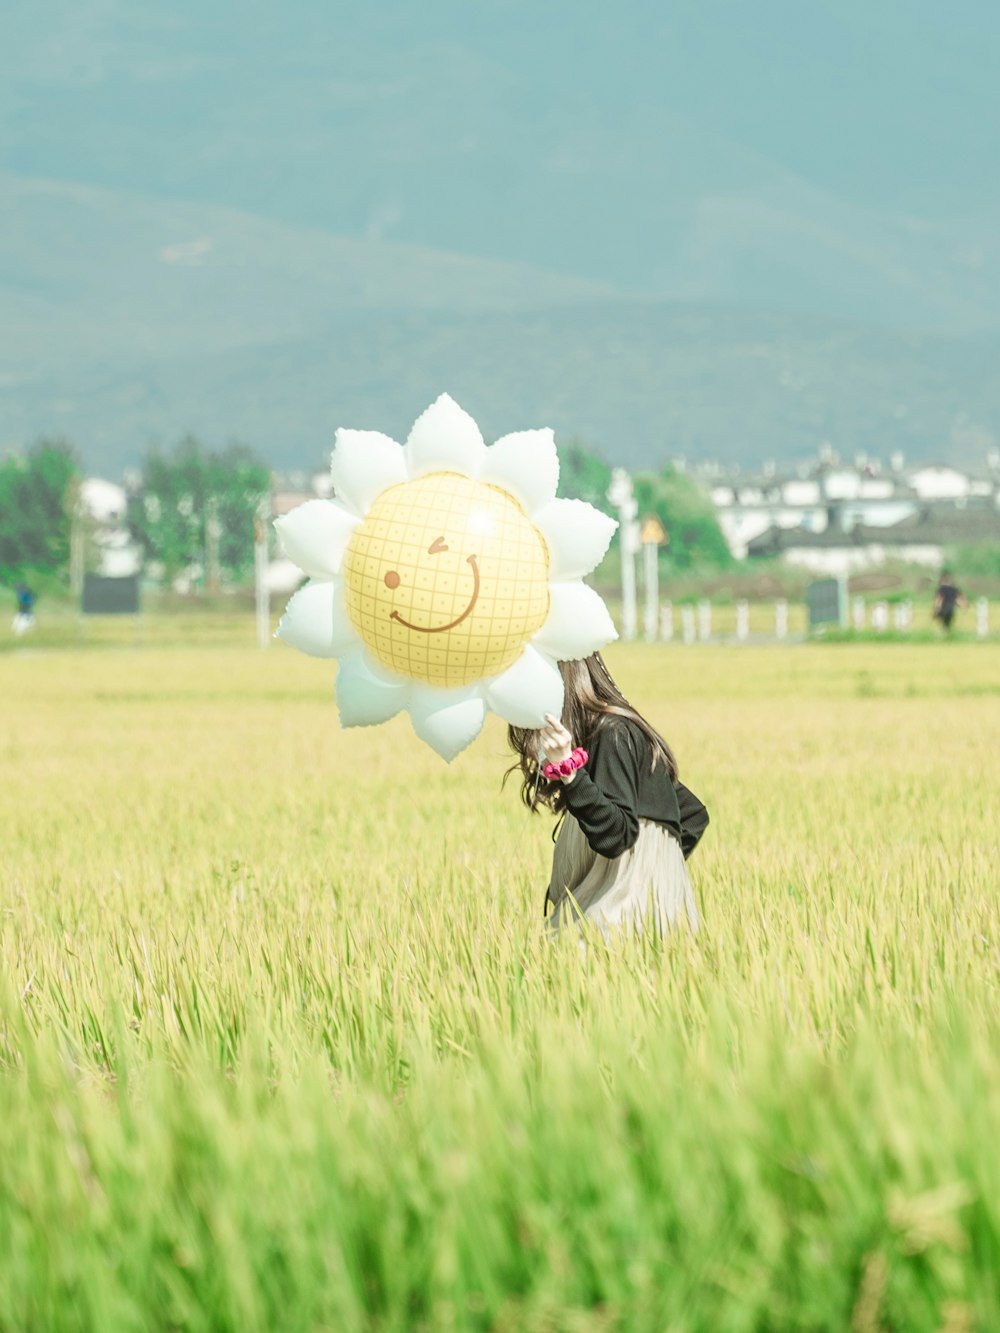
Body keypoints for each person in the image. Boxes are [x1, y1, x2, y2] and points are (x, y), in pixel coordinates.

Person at [507, 653, 708, 939]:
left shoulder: (613, 735)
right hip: (621, 911)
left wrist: (635, 879)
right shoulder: (614, 736)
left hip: (617, 917)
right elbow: (691, 813)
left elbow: (617, 835)